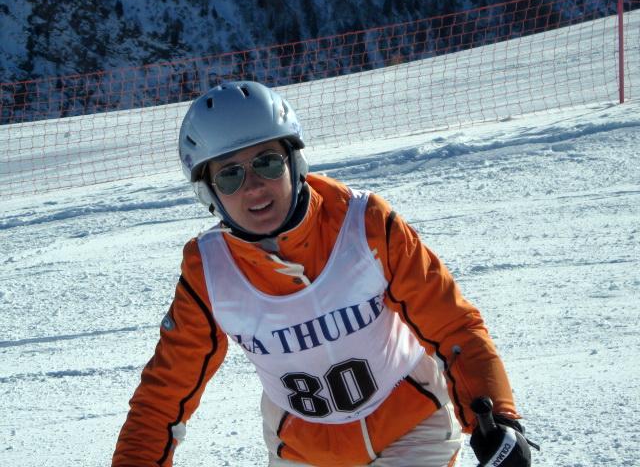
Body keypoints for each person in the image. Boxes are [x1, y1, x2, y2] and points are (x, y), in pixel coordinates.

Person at [112, 81, 535, 466]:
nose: (253, 186)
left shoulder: (365, 225)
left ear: (295, 162)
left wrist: (497, 414)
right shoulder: (209, 272)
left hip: (411, 427)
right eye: (230, 175)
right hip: (303, 448)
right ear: (208, 191)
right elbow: (163, 397)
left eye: (267, 163)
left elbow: (452, 325)